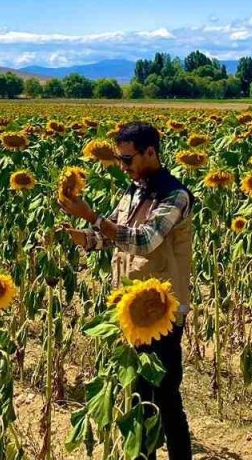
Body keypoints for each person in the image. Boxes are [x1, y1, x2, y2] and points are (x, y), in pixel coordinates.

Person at [58, 121, 194, 460]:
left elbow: (146, 240)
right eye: (119, 159)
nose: (123, 167)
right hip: (130, 306)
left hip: (162, 310)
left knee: (165, 397)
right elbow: (113, 235)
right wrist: (86, 238)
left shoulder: (175, 195)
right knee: (137, 393)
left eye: (128, 159)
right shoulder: (133, 191)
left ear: (151, 152)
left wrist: (91, 215)